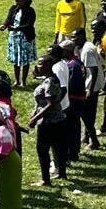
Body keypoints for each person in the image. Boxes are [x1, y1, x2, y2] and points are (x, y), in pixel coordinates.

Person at [29, 54, 68, 185]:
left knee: (43, 150)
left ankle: (46, 179)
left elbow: (50, 105)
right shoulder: (51, 78)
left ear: (49, 66)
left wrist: (35, 118)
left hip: (49, 122)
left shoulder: (50, 81)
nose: (38, 66)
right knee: (58, 147)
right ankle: (62, 173)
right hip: (59, 119)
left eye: (41, 64)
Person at [70, 27, 103, 150]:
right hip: (88, 85)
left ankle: (93, 140)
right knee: (87, 113)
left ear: (82, 36)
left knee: (86, 114)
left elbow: (93, 71)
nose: (73, 40)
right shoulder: (81, 47)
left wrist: (89, 90)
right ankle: (87, 136)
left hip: (91, 87)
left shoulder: (87, 50)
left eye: (75, 37)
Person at [0, 0, 37, 88]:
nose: (16, 2)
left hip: (25, 38)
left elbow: (29, 24)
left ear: (25, 0)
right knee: (16, 60)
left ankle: (23, 82)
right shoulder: (13, 8)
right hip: (15, 38)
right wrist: (4, 25)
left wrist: (17, 28)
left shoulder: (30, 11)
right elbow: (8, 19)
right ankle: (17, 81)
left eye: (18, 0)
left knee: (25, 60)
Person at [59, 40, 87, 162]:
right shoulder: (77, 62)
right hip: (78, 100)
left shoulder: (73, 66)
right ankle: (74, 151)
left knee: (71, 128)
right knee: (74, 126)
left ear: (67, 51)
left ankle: (72, 152)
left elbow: (71, 85)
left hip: (73, 101)